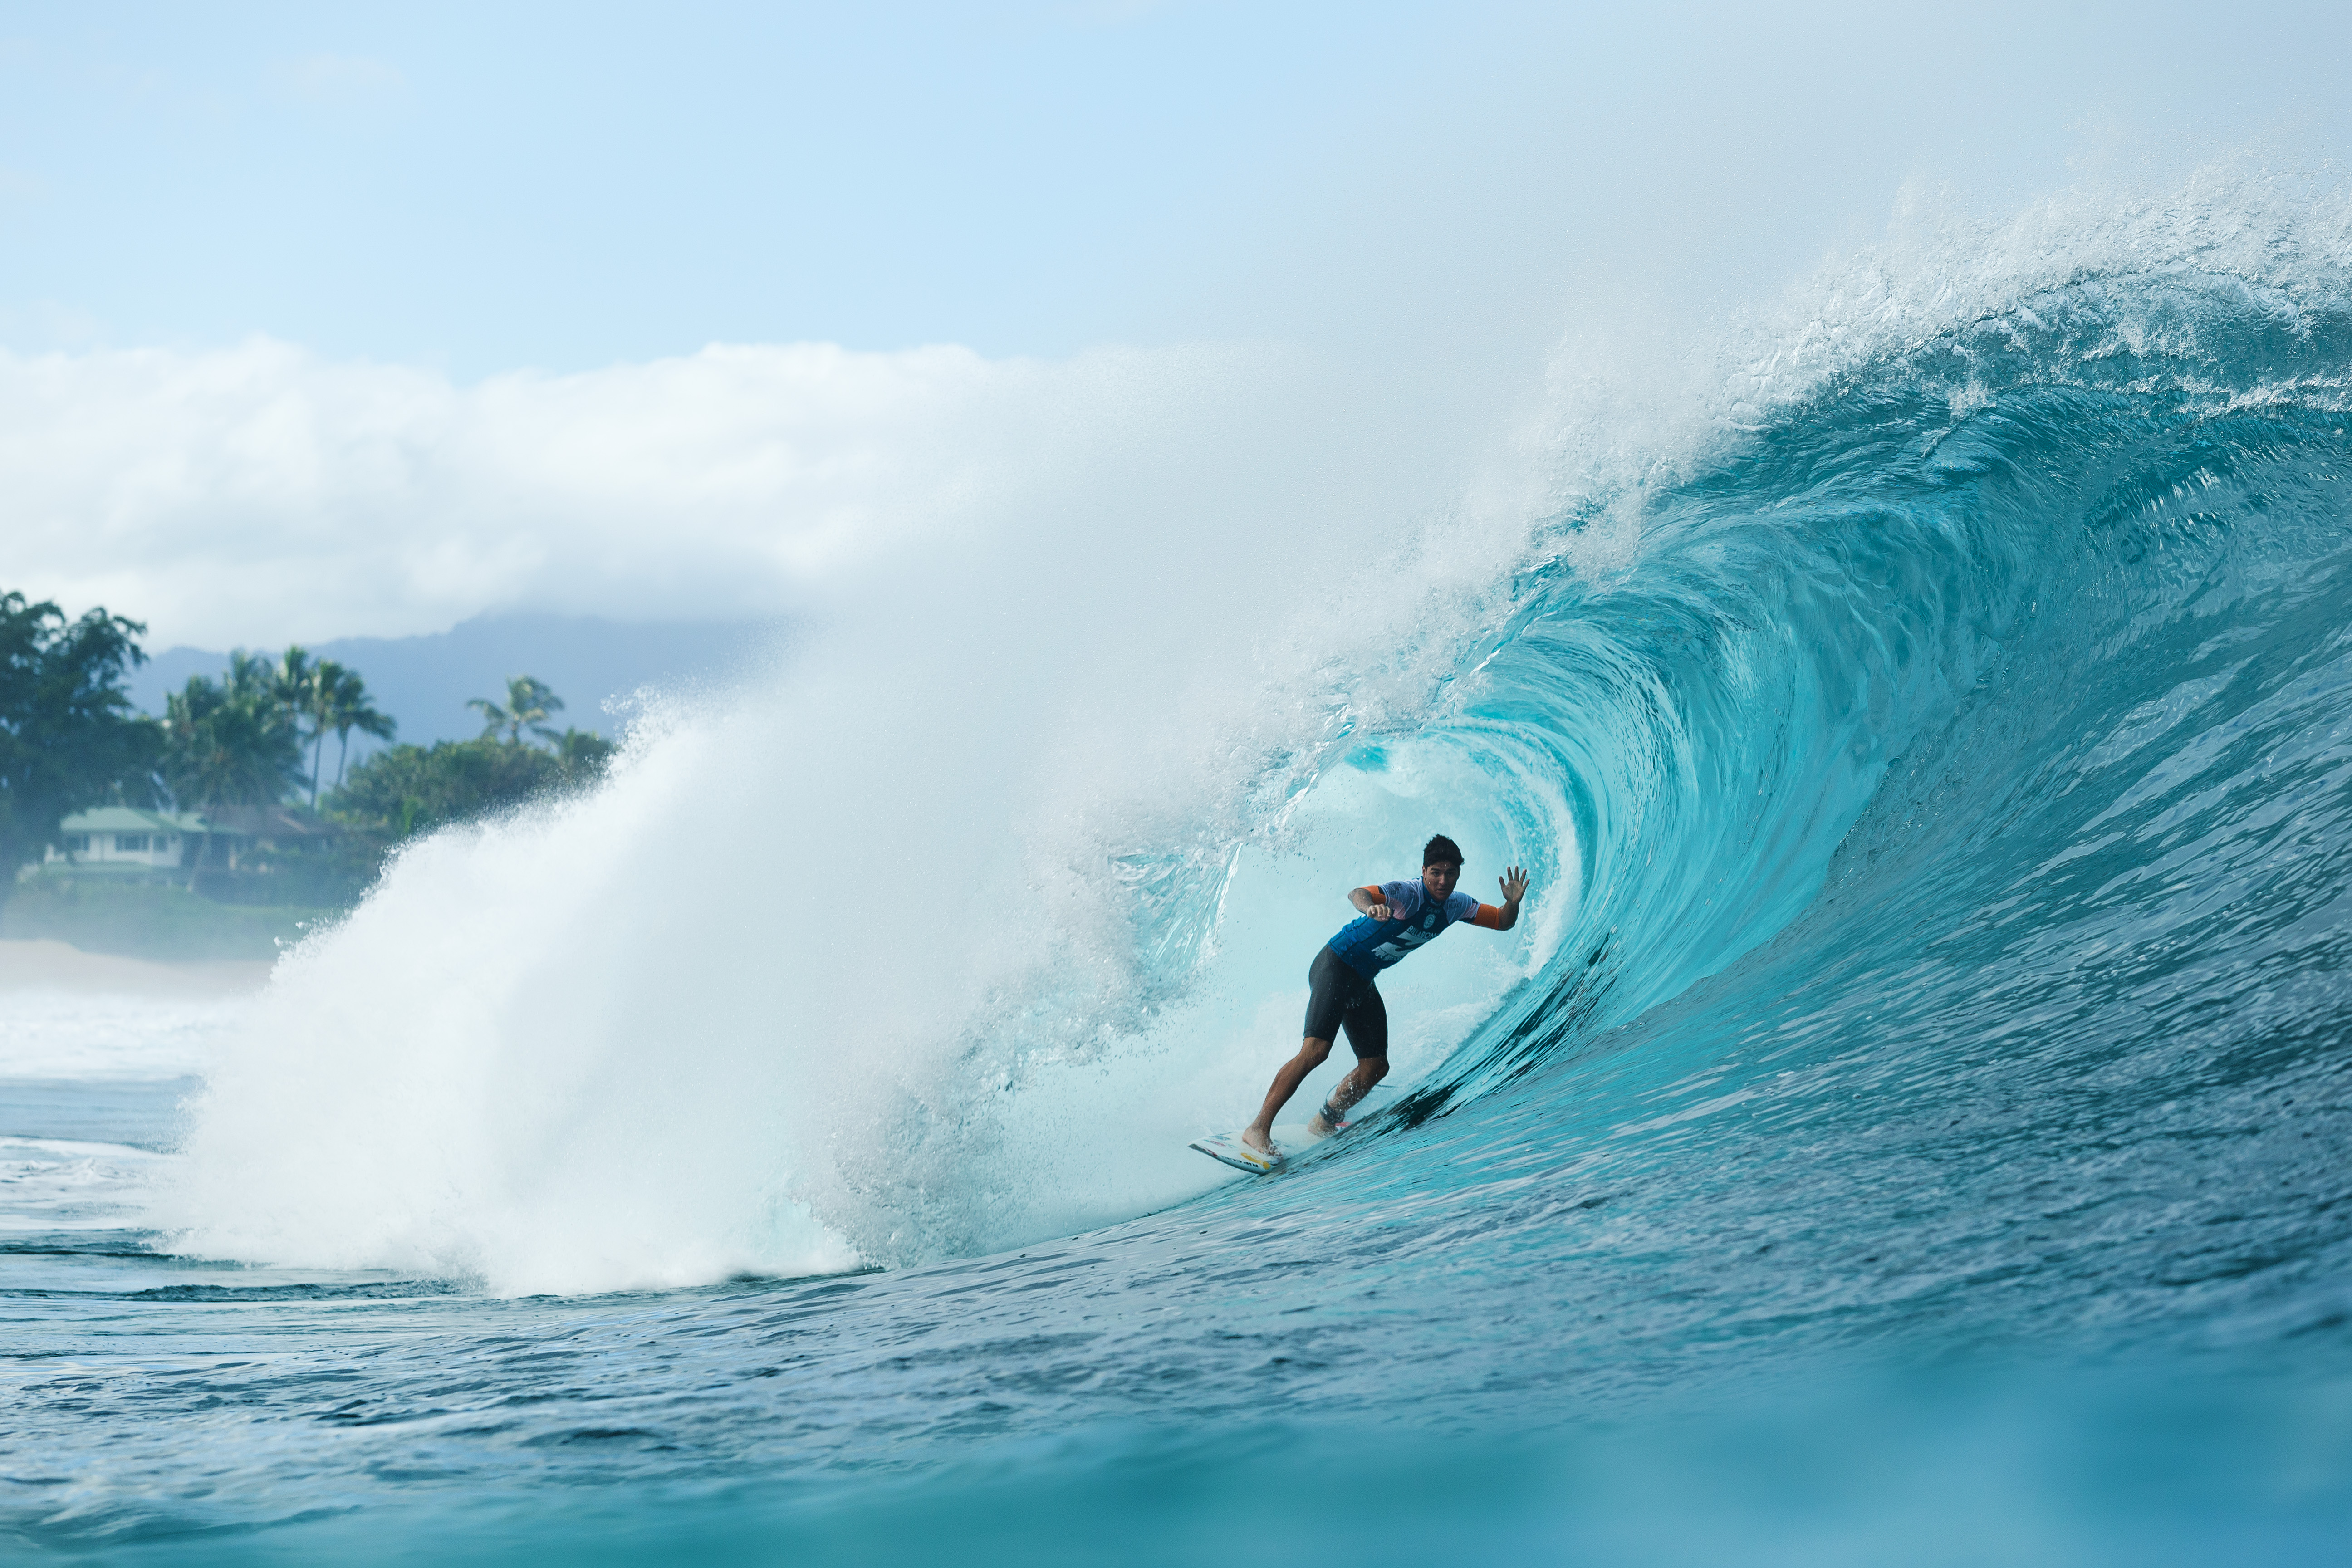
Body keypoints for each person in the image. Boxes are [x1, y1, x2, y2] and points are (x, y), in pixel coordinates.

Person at [1240, 833, 1531, 1162]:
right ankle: (1258, 1128)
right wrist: (1371, 907)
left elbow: (1501, 921)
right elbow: (1358, 894)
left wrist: (1513, 903)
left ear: (1458, 875)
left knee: (1375, 1068)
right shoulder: (1408, 893)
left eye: (1451, 873)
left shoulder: (1456, 905)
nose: (1442, 880)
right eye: (1435, 872)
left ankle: (1324, 1121)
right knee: (1316, 1051)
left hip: (1362, 981)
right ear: (1423, 872)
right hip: (1336, 964)